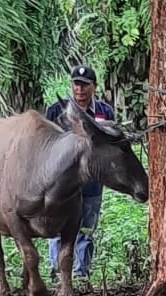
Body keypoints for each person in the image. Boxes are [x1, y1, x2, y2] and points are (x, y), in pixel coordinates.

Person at [46, 64, 115, 283]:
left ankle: (82, 273)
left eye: (85, 85)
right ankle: (58, 272)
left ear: (94, 87)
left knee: (86, 228)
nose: (80, 89)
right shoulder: (57, 110)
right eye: (77, 84)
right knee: (57, 228)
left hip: (92, 184)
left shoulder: (105, 112)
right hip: (61, 184)